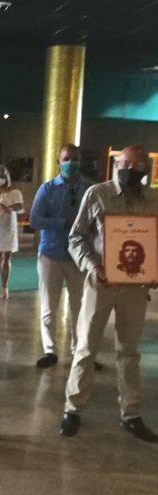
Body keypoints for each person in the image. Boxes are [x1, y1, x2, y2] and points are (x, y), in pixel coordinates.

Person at [60, 145, 158, 441]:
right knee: (86, 348)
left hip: (135, 289)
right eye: (127, 163)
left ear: (146, 169)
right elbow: (76, 238)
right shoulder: (97, 194)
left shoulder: (153, 200)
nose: (133, 168)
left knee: (129, 352)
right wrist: (93, 266)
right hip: (100, 284)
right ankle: (72, 410)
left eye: (139, 164)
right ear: (117, 163)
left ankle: (131, 413)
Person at [30, 144, 93, 369]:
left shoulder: (91, 189)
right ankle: (50, 350)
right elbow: (35, 219)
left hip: (80, 257)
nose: (71, 163)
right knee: (49, 305)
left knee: (80, 306)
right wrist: (62, 223)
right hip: (51, 254)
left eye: (75, 159)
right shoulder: (47, 189)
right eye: (66, 159)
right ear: (59, 162)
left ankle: (79, 350)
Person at [0, 165, 23, 300]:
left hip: (8, 228)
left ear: (7, 178)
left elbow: (20, 207)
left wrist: (8, 207)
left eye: (2, 177)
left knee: (5, 259)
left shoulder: (14, 192)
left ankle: (4, 287)